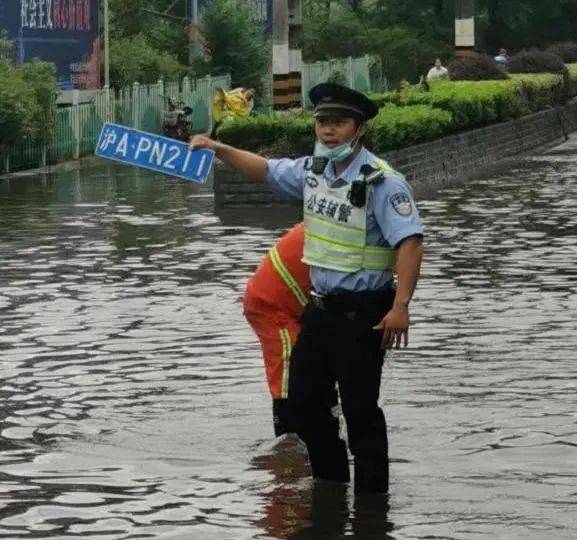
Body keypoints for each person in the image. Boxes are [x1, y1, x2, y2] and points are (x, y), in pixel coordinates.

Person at [190, 82, 424, 494]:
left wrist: (401, 306)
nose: (329, 131)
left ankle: (372, 505)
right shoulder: (313, 173)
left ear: (359, 129)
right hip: (319, 311)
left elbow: (410, 241)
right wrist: (218, 148)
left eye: (339, 123)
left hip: (364, 314)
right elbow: (263, 169)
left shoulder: (381, 182)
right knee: (304, 404)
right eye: (322, 123)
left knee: (360, 410)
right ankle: (331, 488)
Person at [243, 223, 310, 436]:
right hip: (271, 304)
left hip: (294, 302)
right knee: (288, 374)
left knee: (313, 370)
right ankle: (287, 443)